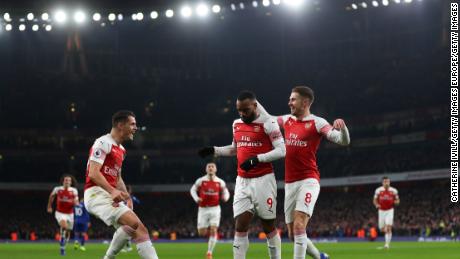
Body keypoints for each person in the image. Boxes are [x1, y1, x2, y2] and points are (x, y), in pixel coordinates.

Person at [257, 86, 350, 259]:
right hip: (290, 183)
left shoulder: (318, 122)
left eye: (293, 99)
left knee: (300, 225)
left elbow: (342, 141)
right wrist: (254, 104)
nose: (289, 102)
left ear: (305, 102)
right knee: (293, 234)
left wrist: (342, 128)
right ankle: (320, 256)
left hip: (309, 180)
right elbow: (267, 119)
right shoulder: (287, 120)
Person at [199, 90, 286, 259]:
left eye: (245, 110)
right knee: (240, 226)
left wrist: (257, 159)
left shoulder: (269, 123)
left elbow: (282, 150)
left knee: (268, 226)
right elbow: (235, 148)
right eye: (239, 110)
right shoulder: (236, 124)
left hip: (264, 180)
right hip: (242, 182)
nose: (242, 114)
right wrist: (214, 150)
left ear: (255, 106)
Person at [83, 110, 159, 259]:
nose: (135, 128)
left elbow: (117, 178)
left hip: (108, 194)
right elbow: (93, 172)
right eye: (132, 124)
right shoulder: (103, 142)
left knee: (139, 229)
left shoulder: (121, 150)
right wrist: (112, 191)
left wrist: (128, 197)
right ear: (120, 125)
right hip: (95, 193)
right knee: (133, 223)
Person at [190, 161, 230, 259]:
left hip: (215, 209)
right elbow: (192, 190)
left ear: (215, 169)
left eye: (212, 166)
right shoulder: (201, 180)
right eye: (209, 167)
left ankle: (209, 253)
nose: (211, 168)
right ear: (206, 169)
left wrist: (226, 197)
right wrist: (196, 199)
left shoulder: (220, 182)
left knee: (213, 230)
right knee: (201, 233)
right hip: (203, 209)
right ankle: (209, 229)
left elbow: (226, 191)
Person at [47, 174, 79, 256]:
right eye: (66, 180)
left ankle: (63, 246)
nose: (67, 181)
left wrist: (76, 203)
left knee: (68, 231)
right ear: (63, 181)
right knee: (64, 226)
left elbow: (76, 201)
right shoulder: (57, 189)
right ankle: (62, 244)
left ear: (71, 182)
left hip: (70, 214)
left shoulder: (74, 191)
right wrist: (49, 206)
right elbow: (51, 196)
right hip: (60, 213)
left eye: (69, 180)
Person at [373, 176, 400, 249]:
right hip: (381, 211)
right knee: (381, 229)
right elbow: (375, 200)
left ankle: (387, 245)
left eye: (387, 181)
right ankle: (387, 232)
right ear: (382, 183)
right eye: (385, 181)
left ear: (389, 182)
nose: (386, 183)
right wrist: (376, 204)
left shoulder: (394, 190)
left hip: (390, 210)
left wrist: (396, 202)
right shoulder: (378, 190)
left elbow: (398, 200)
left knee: (388, 227)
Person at [122, 185, 142, 253]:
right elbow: (139, 202)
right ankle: (127, 246)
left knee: (125, 232)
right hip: (126, 216)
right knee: (124, 232)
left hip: (126, 217)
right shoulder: (128, 197)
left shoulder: (125, 197)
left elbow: (138, 202)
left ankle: (127, 247)